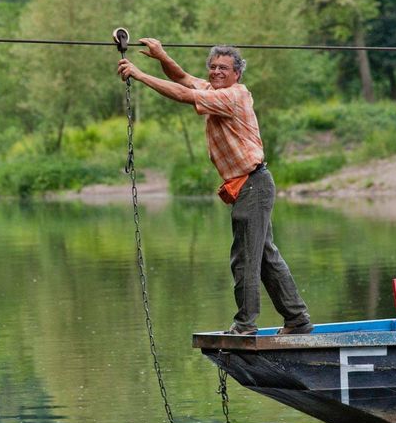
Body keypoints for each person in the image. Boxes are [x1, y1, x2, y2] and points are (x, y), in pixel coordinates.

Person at [117, 38, 313, 336]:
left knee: (245, 258)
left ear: (237, 74)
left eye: (224, 68)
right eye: (213, 67)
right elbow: (182, 78)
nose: (216, 72)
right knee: (263, 257)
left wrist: (139, 74)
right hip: (248, 186)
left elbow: (183, 94)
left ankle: (245, 325)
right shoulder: (214, 91)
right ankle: (297, 318)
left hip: (253, 185)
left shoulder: (235, 96)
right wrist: (161, 56)